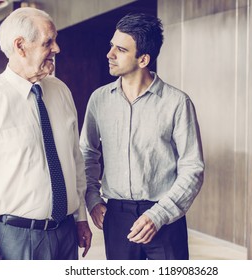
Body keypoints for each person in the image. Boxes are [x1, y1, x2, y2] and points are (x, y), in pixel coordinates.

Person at [0, 7, 92, 260]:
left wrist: (80, 217)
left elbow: (75, 160)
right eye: (48, 42)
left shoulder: (61, 91)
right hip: (14, 239)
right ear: (20, 46)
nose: (57, 49)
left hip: (65, 234)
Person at [80, 13, 204, 260]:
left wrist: (158, 216)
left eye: (121, 49)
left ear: (143, 59)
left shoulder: (177, 103)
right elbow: (87, 153)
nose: (110, 54)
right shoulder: (99, 100)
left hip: (164, 217)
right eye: (111, 46)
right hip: (116, 217)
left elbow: (193, 168)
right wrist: (93, 200)